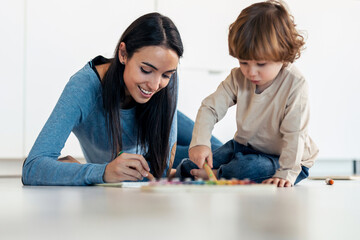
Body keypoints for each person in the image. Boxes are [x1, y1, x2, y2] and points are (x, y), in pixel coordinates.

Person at [22, 12, 221, 186]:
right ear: (123, 54)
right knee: (217, 164)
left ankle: (186, 171)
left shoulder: (163, 88)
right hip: (129, 161)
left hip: (154, 140)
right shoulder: (84, 87)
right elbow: (33, 166)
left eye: (167, 75)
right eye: (146, 70)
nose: (154, 84)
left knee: (222, 156)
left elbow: (159, 169)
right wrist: (101, 172)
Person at [176, 0, 319, 187]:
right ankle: (195, 171)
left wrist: (286, 173)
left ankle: (218, 174)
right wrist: (200, 142)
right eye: (244, 62)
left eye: (261, 64)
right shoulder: (237, 77)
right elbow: (210, 108)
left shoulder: (295, 84)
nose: (251, 72)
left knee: (249, 168)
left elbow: (295, 135)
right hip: (244, 147)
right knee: (197, 161)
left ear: (283, 56)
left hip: (284, 159)